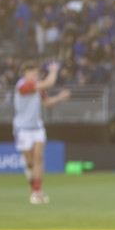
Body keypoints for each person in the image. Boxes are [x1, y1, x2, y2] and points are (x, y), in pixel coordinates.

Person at [11, 61, 68, 205]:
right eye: (33, 72)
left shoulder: (36, 85)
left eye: (37, 73)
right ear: (25, 73)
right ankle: (34, 188)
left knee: (38, 158)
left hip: (37, 127)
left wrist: (60, 98)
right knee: (30, 163)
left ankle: (37, 192)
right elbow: (48, 84)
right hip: (22, 128)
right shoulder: (23, 85)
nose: (36, 75)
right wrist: (54, 71)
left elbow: (46, 102)